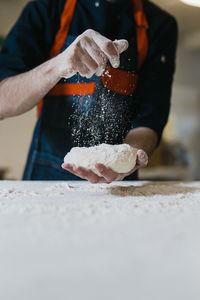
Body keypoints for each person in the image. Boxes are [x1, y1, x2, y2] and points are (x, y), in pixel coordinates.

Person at [0, 0, 177, 183]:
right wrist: (59, 65)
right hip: (47, 177)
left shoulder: (158, 24)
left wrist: (129, 156)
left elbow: (150, 118)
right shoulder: (46, 9)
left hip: (116, 181)